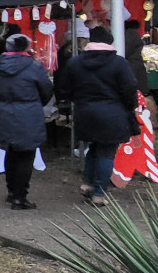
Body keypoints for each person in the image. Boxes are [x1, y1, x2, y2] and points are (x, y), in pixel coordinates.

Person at [59, 25, 141, 207]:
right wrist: (130, 106)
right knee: (106, 152)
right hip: (113, 113)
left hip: (85, 112)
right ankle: (99, 194)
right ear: (109, 42)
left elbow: (64, 88)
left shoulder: (75, 62)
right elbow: (130, 89)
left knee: (93, 148)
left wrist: (79, 101)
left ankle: (87, 184)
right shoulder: (119, 63)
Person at [0, 33, 53, 210]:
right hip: (28, 116)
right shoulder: (34, 67)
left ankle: (11, 192)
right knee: (25, 156)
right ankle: (20, 196)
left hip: (2, 114)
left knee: (10, 153)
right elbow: (46, 91)